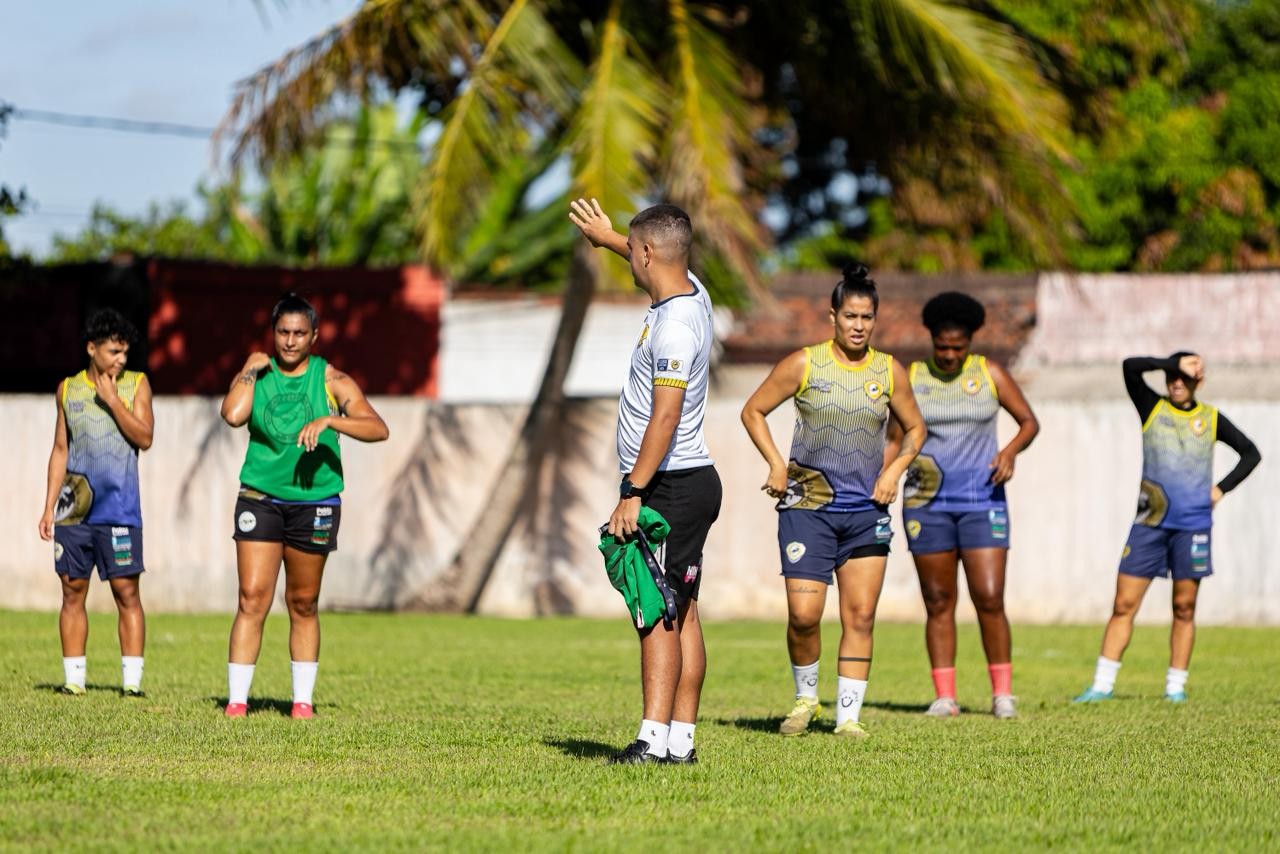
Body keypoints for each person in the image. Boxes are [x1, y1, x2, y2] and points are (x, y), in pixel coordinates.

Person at [741, 263, 926, 739]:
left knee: (859, 615)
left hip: (866, 513)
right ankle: (806, 700)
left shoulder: (889, 371)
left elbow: (916, 429)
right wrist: (776, 463)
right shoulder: (805, 363)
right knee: (804, 616)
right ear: (833, 317)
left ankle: (848, 717)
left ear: (875, 319)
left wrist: (894, 470)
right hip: (807, 509)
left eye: (867, 317)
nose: (859, 326)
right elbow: (754, 410)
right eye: (850, 317)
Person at [570, 198, 723, 765]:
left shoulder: (677, 328)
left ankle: (653, 741)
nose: (629, 259)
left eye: (633, 252)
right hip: (688, 480)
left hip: (670, 485)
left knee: (655, 611)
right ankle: (681, 743)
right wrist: (609, 237)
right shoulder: (692, 293)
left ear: (650, 254)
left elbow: (666, 415)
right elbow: (655, 256)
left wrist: (632, 492)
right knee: (681, 609)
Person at [220, 293, 389, 719]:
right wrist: (246, 369)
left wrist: (332, 420)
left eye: (299, 333)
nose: (290, 341)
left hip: (314, 503)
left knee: (303, 601)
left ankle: (302, 703)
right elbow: (233, 415)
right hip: (260, 498)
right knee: (252, 597)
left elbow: (377, 428)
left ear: (314, 336)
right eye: (283, 332)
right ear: (272, 334)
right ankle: (237, 702)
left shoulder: (332, 381)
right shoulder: (257, 375)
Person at [885, 292, 1039, 720]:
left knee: (989, 596)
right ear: (932, 340)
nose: (950, 355)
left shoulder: (990, 373)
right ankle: (945, 697)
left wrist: (1008, 452)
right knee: (938, 599)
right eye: (943, 346)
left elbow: (1029, 422)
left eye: (958, 347)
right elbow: (896, 438)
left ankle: (1002, 694)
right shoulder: (911, 377)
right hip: (926, 502)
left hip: (982, 500)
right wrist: (888, 476)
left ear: (971, 342)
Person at [1074, 352, 1259, 704]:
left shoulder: (1211, 419)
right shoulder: (1151, 408)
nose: (1176, 383)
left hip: (1192, 526)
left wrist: (1221, 489)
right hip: (1149, 523)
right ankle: (1102, 685)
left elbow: (1250, 453)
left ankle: (1175, 687)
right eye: (1172, 377)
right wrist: (1171, 362)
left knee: (1184, 606)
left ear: (1198, 381)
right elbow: (1130, 367)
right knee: (1124, 603)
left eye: (1184, 378)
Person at [39, 308, 154, 697]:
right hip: (75, 509)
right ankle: (74, 681)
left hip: (120, 508)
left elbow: (145, 438)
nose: (121, 360)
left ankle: (132, 684)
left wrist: (113, 401)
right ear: (91, 348)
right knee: (72, 589)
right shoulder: (67, 389)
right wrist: (48, 505)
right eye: (113, 352)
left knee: (126, 592)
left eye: (125, 353)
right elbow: (59, 449)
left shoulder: (137, 385)